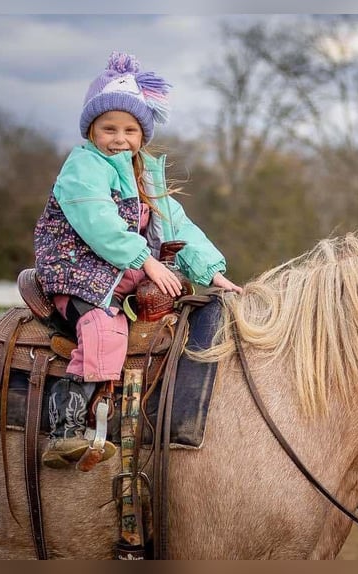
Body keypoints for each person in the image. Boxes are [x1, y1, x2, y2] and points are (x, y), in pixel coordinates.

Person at [34, 51, 241, 470]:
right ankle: (66, 428)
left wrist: (213, 273)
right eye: (108, 128)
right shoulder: (83, 167)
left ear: (143, 135)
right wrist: (147, 262)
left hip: (115, 277)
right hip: (78, 273)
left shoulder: (145, 174)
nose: (119, 138)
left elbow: (175, 224)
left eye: (130, 129)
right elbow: (98, 223)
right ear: (90, 130)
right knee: (103, 330)